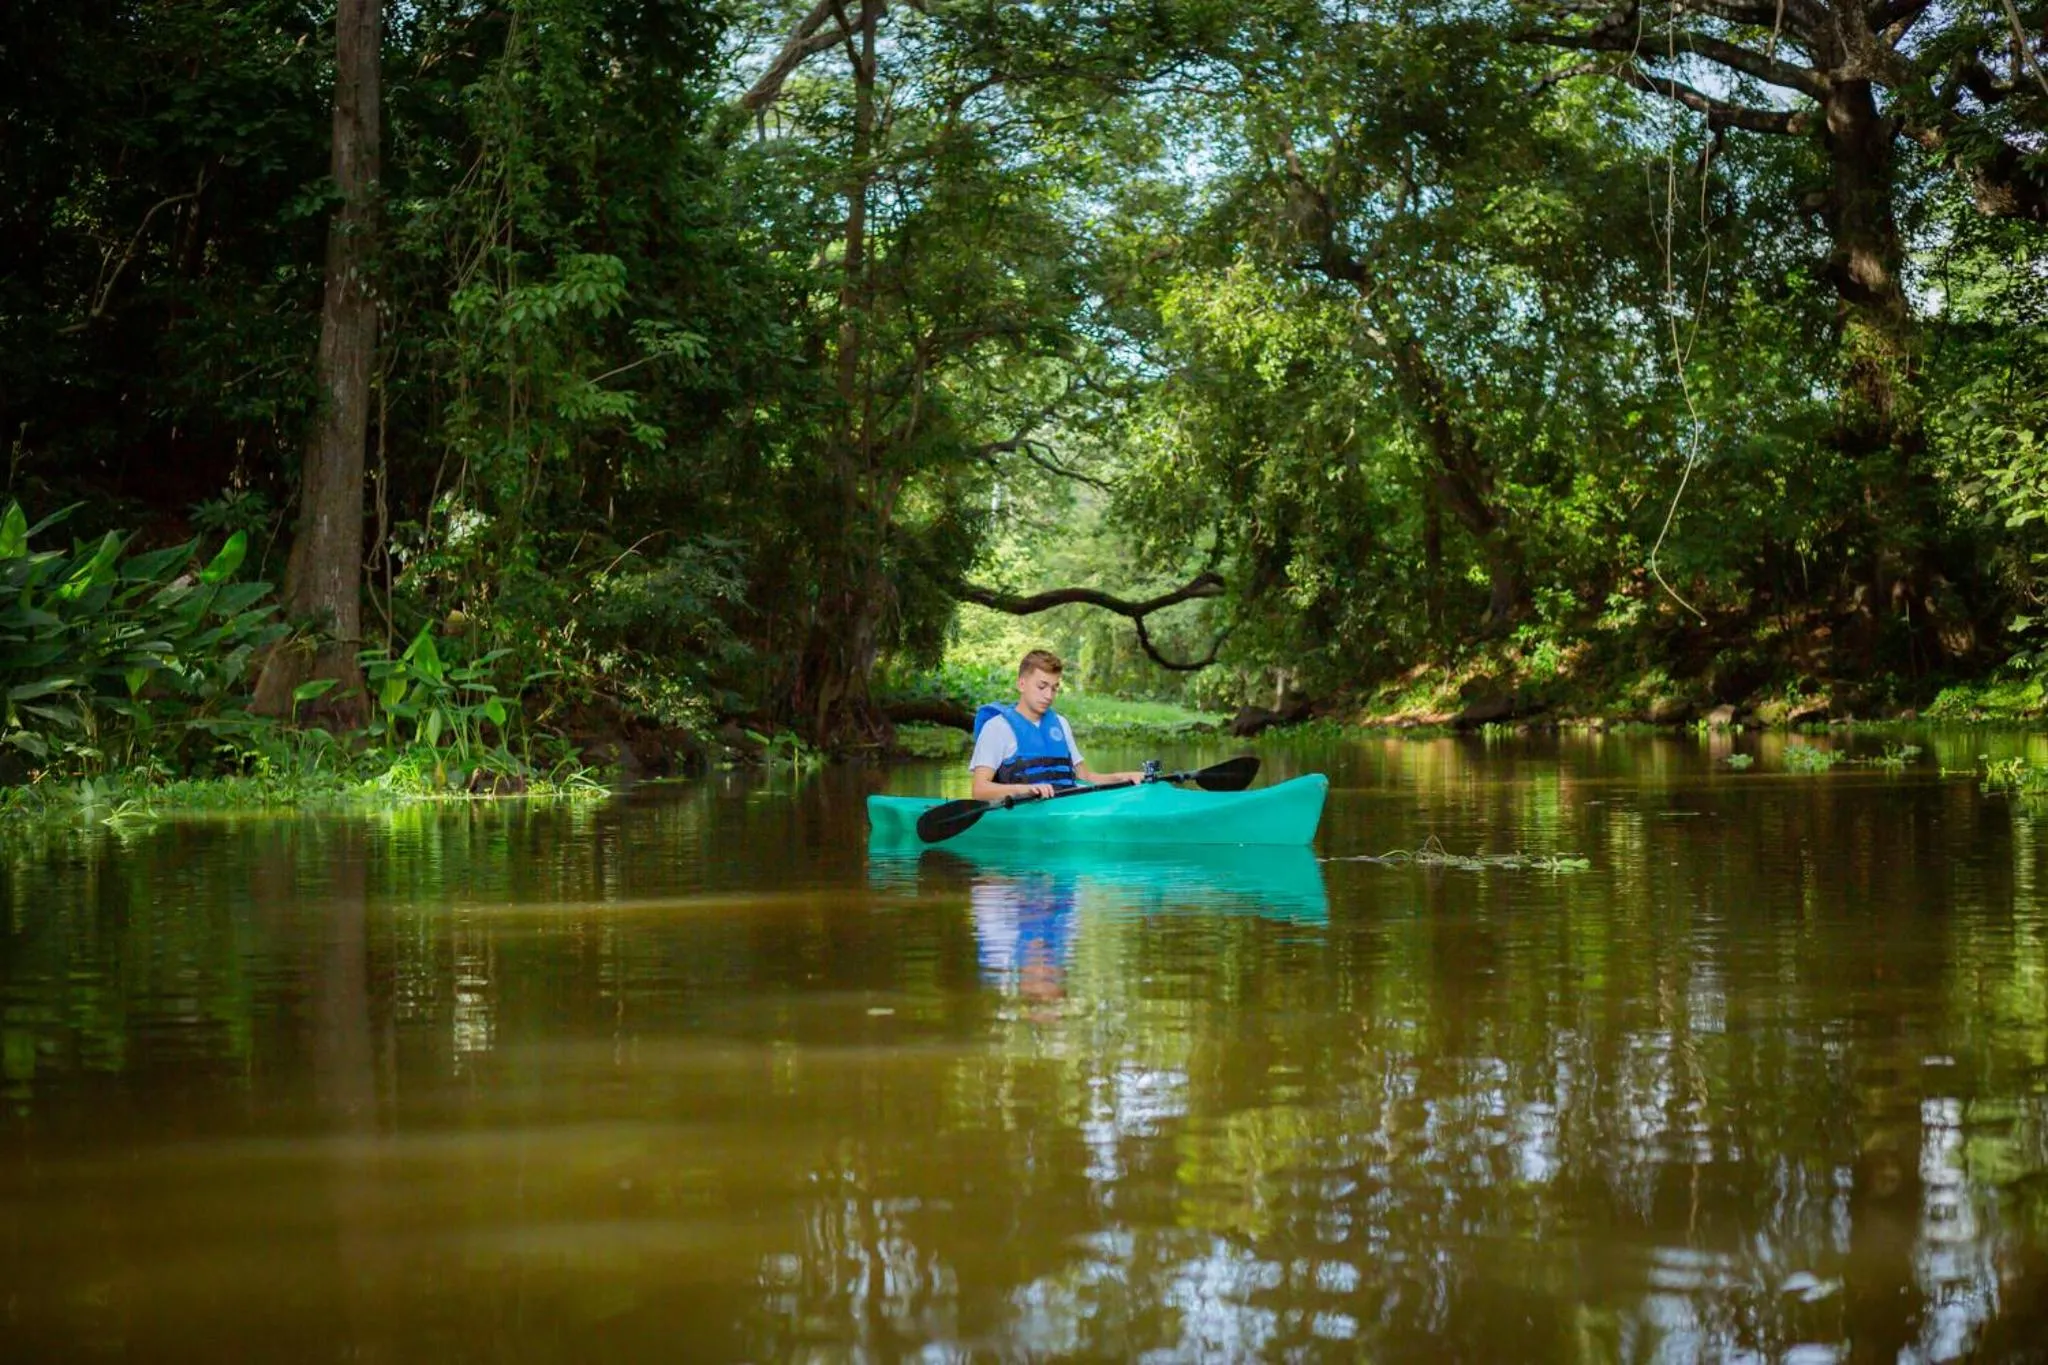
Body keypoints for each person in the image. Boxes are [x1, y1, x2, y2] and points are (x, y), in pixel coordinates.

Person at [969, 649, 1148, 803]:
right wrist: (1024, 790)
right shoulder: (997, 728)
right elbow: (979, 790)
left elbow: (1086, 777)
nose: (1049, 696)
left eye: (1054, 688)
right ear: (1021, 684)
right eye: (1042, 687)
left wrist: (1124, 777)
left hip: (1064, 809)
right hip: (1022, 815)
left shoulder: (1060, 724)